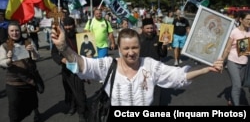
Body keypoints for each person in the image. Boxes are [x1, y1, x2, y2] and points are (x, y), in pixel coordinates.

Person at [51, 24, 224, 106]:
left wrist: (205, 69)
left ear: (140, 47)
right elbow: (83, 64)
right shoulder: (108, 65)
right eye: (126, 48)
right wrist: (63, 47)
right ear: (119, 49)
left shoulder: (150, 65)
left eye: (134, 47)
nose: (131, 52)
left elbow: (178, 76)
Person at [0, 21, 40, 122]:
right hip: (13, 81)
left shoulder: (28, 41)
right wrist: (8, 59)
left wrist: (33, 51)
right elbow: (2, 62)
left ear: (20, 31)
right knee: (14, 105)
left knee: (32, 101)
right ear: (8, 32)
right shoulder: (5, 45)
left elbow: (36, 57)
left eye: (17, 30)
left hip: (28, 79)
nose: (15, 33)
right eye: (12, 31)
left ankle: (36, 112)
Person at [51, 16, 87, 122]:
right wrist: (62, 60)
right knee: (69, 91)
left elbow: (87, 50)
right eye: (66, 25)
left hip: (79, 67)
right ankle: (73, 106)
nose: (68, 27)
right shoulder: (60, 38)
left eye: (70, 25)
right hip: (67, 68)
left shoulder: (80, 37)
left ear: (74, 25)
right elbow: (54, 54)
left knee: (79, 91)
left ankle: (82, 112)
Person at [222, 11, 250, 106]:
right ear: (241, 20)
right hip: (232, 61)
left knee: (238, 84)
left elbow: (246, 49)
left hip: (244, 63)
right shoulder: (234, 32)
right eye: (248, 19)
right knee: (238, 85)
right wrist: (221, 61)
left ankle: (230, 98)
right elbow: (228, 48)